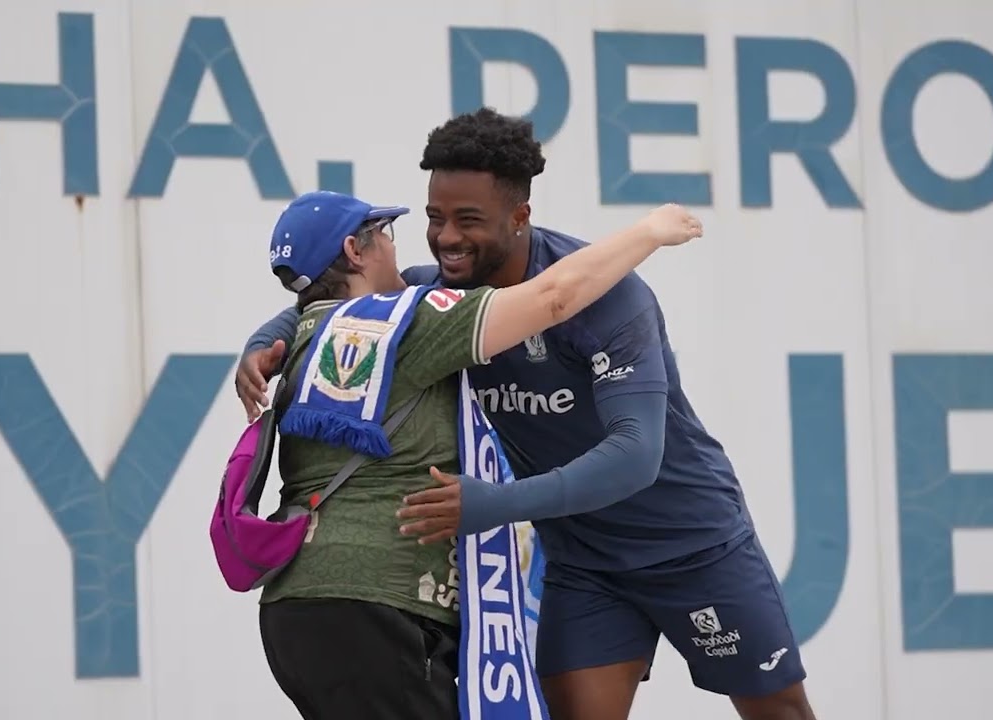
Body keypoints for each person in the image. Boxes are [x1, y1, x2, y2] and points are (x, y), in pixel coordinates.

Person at [238, 109, 817, 720]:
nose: (446, 238)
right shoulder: (444, 289)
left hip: (690, 543)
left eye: (468, 220)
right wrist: (265, 340)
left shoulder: (606, 293)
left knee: (779, 712)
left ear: (520, 217)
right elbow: (347, 297)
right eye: (434, 217)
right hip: (584, 564)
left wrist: (496, 503)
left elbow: (637, 454)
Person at [254, 188, 702, 720]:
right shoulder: (407, 325)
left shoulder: (303, 340)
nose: (396, 248)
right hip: (378, 604)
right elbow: (554, 296)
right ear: (355, 250)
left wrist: (256, 344)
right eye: (383, 235)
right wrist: (650, 232)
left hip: (292, 609)